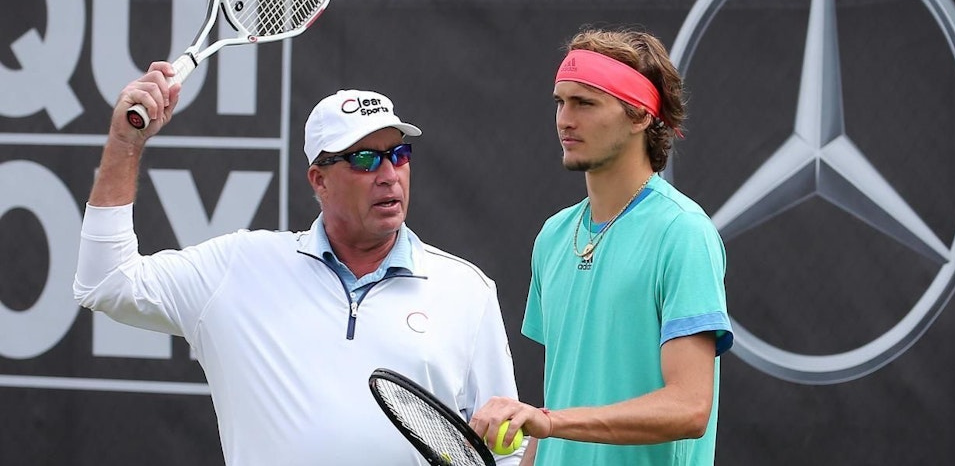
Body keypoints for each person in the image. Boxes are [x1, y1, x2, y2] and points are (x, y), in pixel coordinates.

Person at [73, 62, 524, 466]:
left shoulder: (466, 290)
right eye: (364, 159)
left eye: (398, 154)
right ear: (319, 180)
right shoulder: (237, 269)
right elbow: (105, 282)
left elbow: (507, 451)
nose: (389, 174)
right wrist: (125, 143)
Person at [469, 27, 734, 465]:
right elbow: (561, 396)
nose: (565, 120)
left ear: (640, 116)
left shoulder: (682, 232)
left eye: (585, 103)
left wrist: (550, 421)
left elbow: (689, 407)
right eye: (560, 102)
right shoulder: (553, 236)